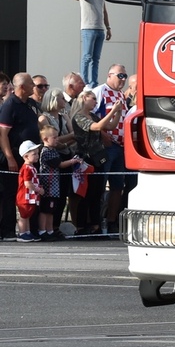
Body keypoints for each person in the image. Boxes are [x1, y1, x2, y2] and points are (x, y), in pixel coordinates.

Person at [0, 74, 43, 239]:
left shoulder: (31, 104)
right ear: (22, 87)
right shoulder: (10, 105)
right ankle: (9, 230)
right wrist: (9, 157)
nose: (34, 86)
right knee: (12, 193)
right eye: (32, 83)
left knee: (32, 192)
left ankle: (31, 229)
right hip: (16, 157)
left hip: (31, 156)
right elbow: (3, 133)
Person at [72, 89, 116, 235]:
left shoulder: (92, 116)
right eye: (93, 99)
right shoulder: (78, 117)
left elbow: (109, 126)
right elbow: (97, 127)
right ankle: (82, 226)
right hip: (85, 158)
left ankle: (95, 224)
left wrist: (118, 113)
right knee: (86, 194)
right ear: (84, 98)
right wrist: (113, 110)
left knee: (98, 192)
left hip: (97, 157)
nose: (96, 102)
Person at [93, 65, 130, 235]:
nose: (123, 79)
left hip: (120, 146)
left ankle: (112, 220)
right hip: (107, 145)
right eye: (119, 75)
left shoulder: (121, 95)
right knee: (100, 184)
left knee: (117, 185)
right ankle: (97, 220)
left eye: (125, 76)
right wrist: (101, 134)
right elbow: (88, 114)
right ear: (109, 75)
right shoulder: (100, 91)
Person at [36, 124, 81, 241]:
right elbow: (60, 164)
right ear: (45, 139)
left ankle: (50, 230)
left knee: (51, 210)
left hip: (54, 186)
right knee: (45, 210)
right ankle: (42, 230)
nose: (57, 140)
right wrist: (72, 161)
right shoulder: (46, 152)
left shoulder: (53, 150)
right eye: (54, 138)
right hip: (48, 186)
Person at [75, 0, 110, 87]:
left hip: (100, 28)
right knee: (87, 57)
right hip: (88, 28)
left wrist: (108, 27)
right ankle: (84, 81)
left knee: (96, 58)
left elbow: (104, 11)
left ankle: (94, 82)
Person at [15, 139, 42, 242]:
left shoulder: (32, 167)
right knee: (24, 215)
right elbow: (27, 183)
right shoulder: (27, 168)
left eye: (37, 154)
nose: (37, 156)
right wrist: (38, 190)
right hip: (24, 196)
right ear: (26, 156)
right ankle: (22, 233)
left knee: (28, 214)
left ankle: (27, 232)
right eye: (34, 154)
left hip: (30, 196)